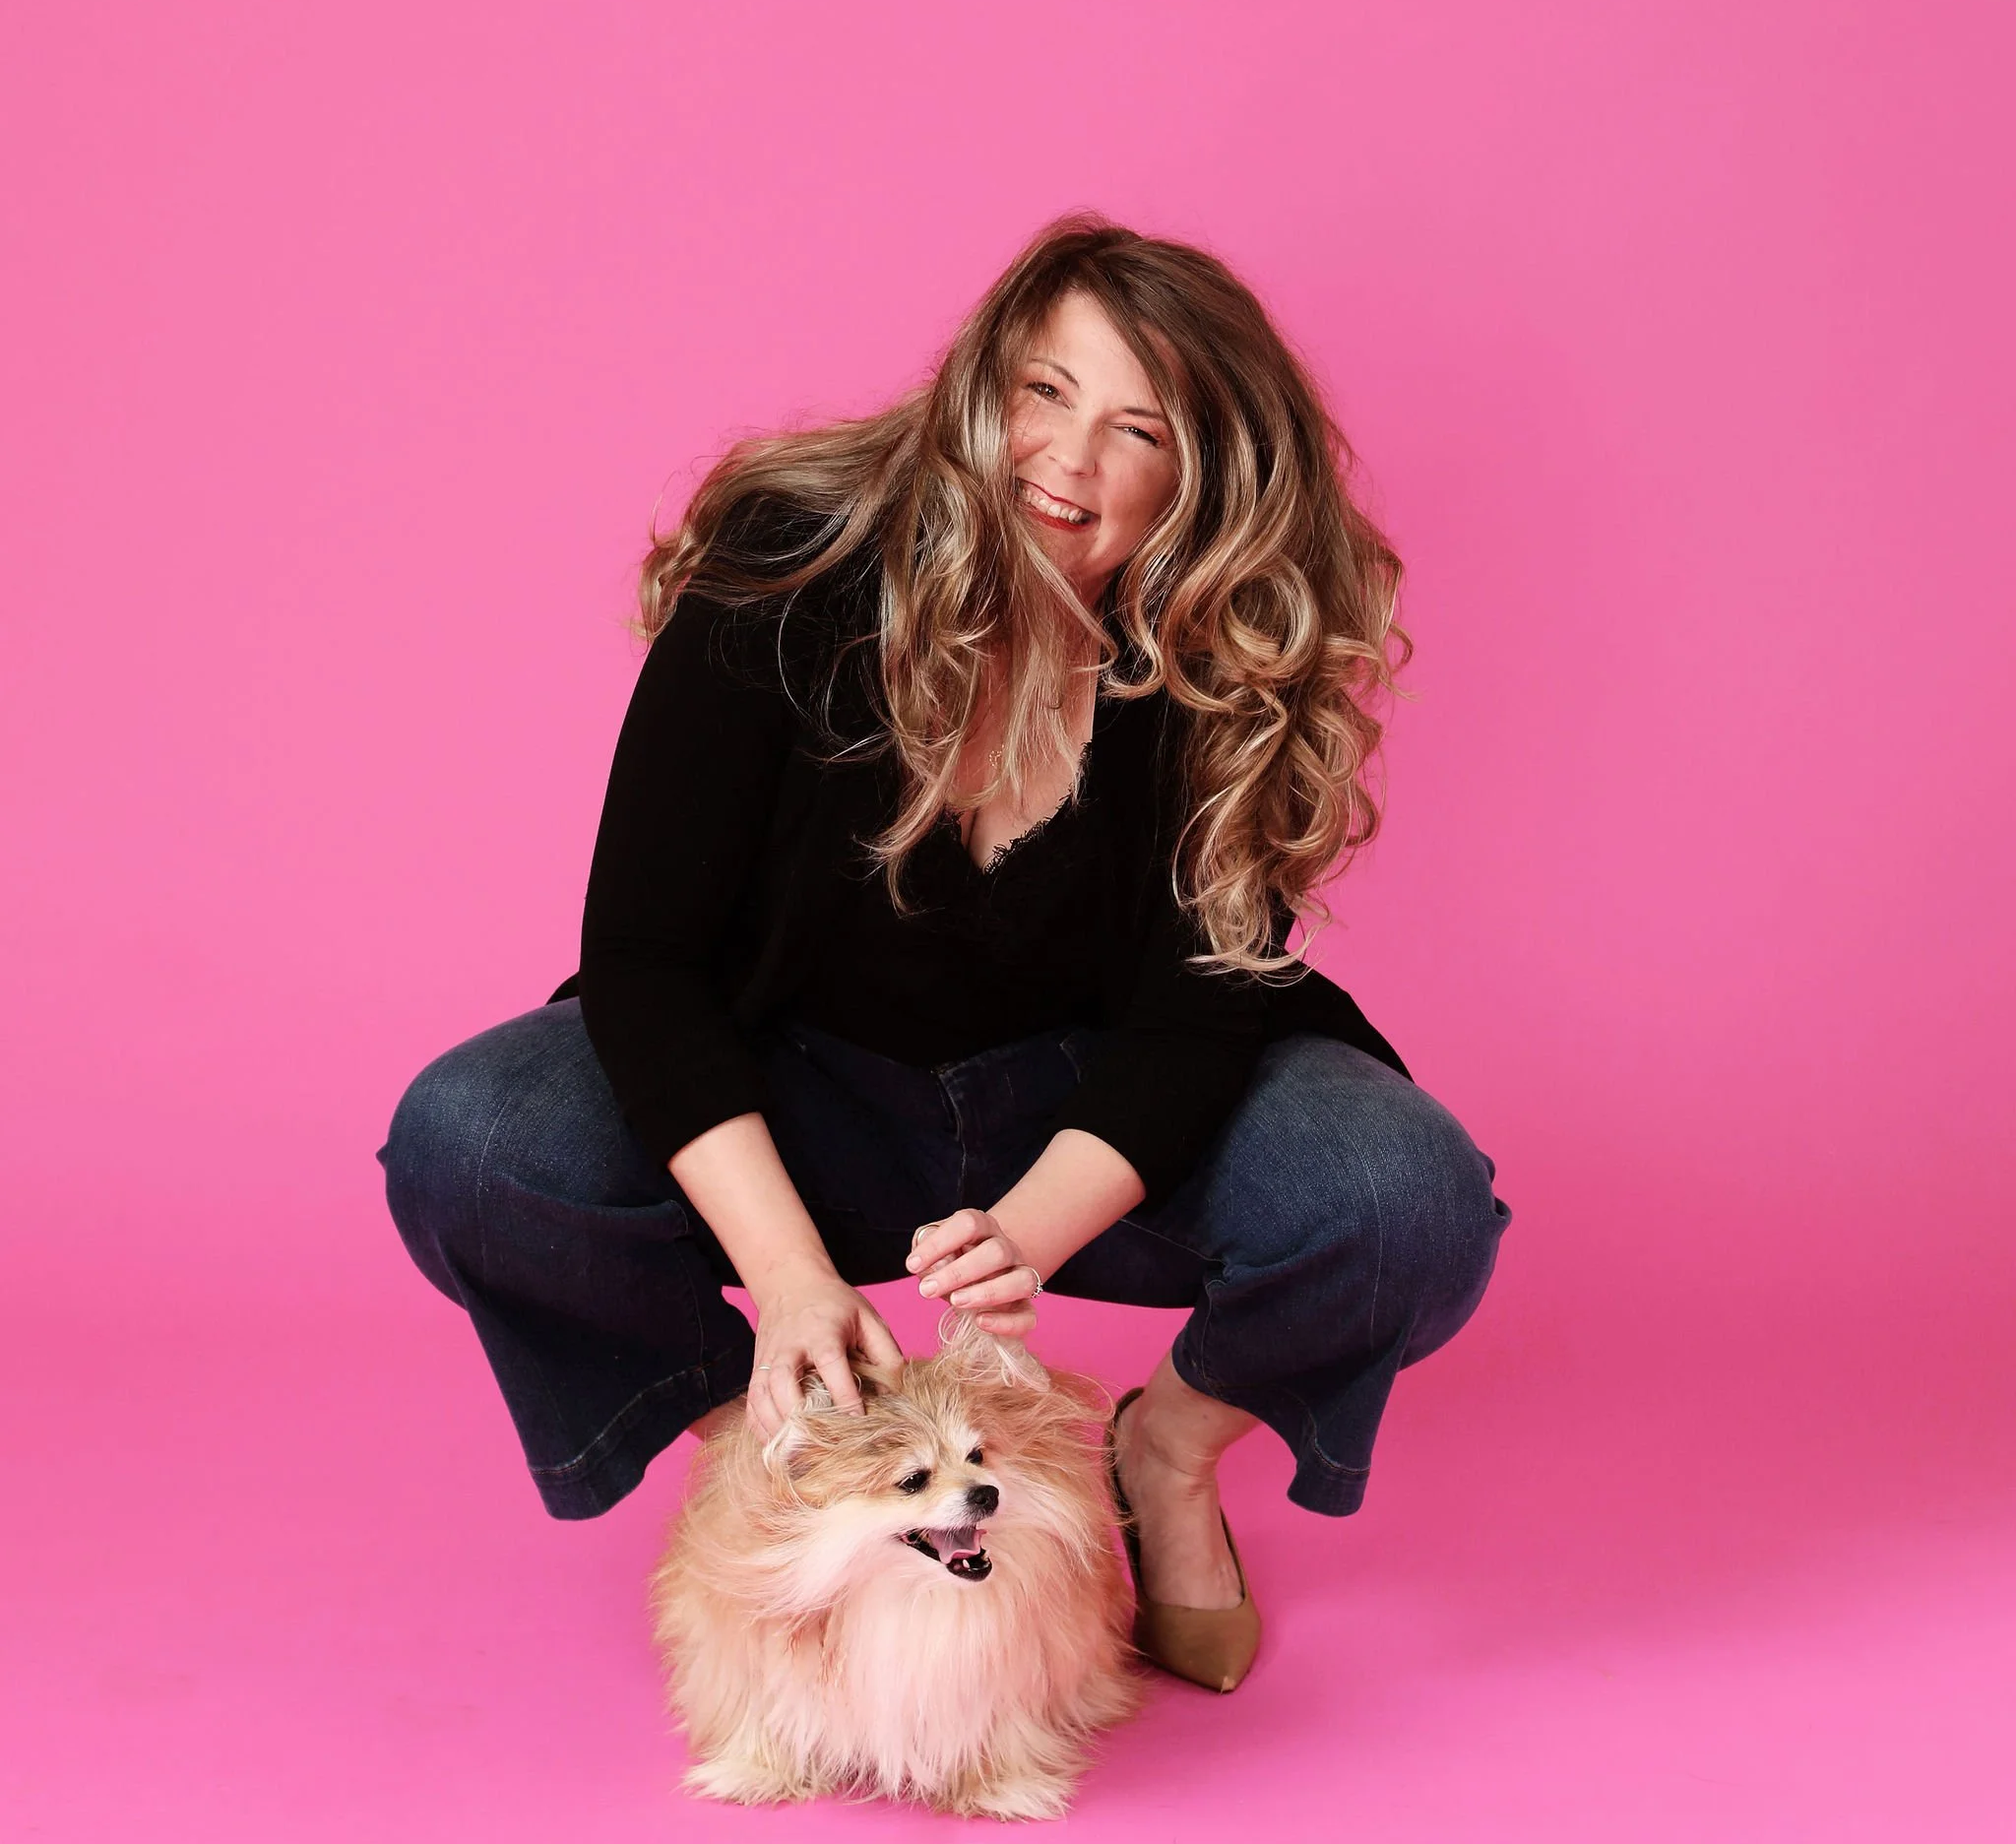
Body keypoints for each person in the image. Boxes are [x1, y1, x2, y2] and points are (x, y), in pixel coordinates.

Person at [380, 218, 1509, 1694]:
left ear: (1204, 481)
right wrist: (791, 1284)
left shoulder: (1215, 653)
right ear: (982, 386)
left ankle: (1162, 1458)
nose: (1068, 463)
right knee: (472, 1141)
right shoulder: (788, 570)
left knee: (1405, 1197)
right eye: (1046, 392)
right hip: (796, 1100)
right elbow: (645, 959)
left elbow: (1198, 1013)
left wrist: (1028, 1236)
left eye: (1138, 431)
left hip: (1101, 1118)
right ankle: (794, 1458)